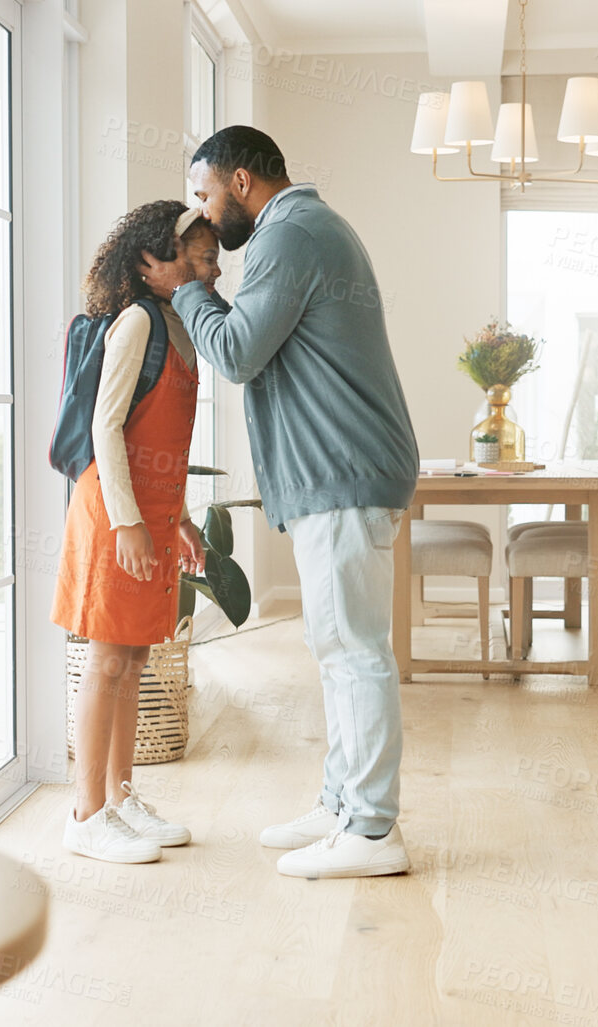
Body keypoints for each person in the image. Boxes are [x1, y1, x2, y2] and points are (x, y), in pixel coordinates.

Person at [140, 126, 420, 879]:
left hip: (343, 471)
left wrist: (189, 290)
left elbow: (233, 351)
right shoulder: (306, 229)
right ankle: (340, 804)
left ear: (238, 182)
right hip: (340, 472)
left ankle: (369, 830)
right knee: (338, 649)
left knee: (354, 651)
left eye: (203, 193)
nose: (202, 215)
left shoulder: (286, 236)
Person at [52, 200, 223, 864]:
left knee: (133, 660)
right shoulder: (134, 323)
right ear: (150, 262)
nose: (207, 269)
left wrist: (176, 518)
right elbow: (105, 427)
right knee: (105, 660)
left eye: (210, 257)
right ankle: (84, 813)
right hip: (113, 519)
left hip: (150, 521)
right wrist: (128, 520)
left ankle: (120, 798)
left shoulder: (179, 327)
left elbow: (167, 441)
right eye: (194, 256)